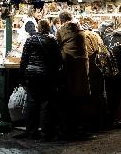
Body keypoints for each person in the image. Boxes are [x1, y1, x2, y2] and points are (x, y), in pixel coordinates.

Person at [14, 19, 62, 141]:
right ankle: (45, 134)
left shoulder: (30, 40)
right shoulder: (53, 41)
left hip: (32, 75)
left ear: (38, 28)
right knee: (46, 104)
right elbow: (58, 60)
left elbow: (24, 60)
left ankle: (31, 131)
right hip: (47, 76)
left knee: (32, 103)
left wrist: (22, 77)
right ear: (48, 28)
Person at [56, 11, 90, 139]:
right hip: (82, 67)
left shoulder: (61, 31)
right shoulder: (80, 30)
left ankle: (67, 129)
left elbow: (57, 47)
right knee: (80, 98)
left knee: (66, 99)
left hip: (69, 67)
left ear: (61, 20)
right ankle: (80, 128)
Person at [98, 20, 121, 127]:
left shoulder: (105, 42)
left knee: (112, 98)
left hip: (114, 74)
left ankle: (110, 120)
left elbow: (104, 59)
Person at [82, 23, 108, 132]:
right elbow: (105, 53)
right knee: (99, 97)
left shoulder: (84, 36)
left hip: (90, 72)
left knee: (91, 98)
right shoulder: (97, 37)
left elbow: (86, 56)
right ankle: (100, 123)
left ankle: (92, 124)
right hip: (99, 72)